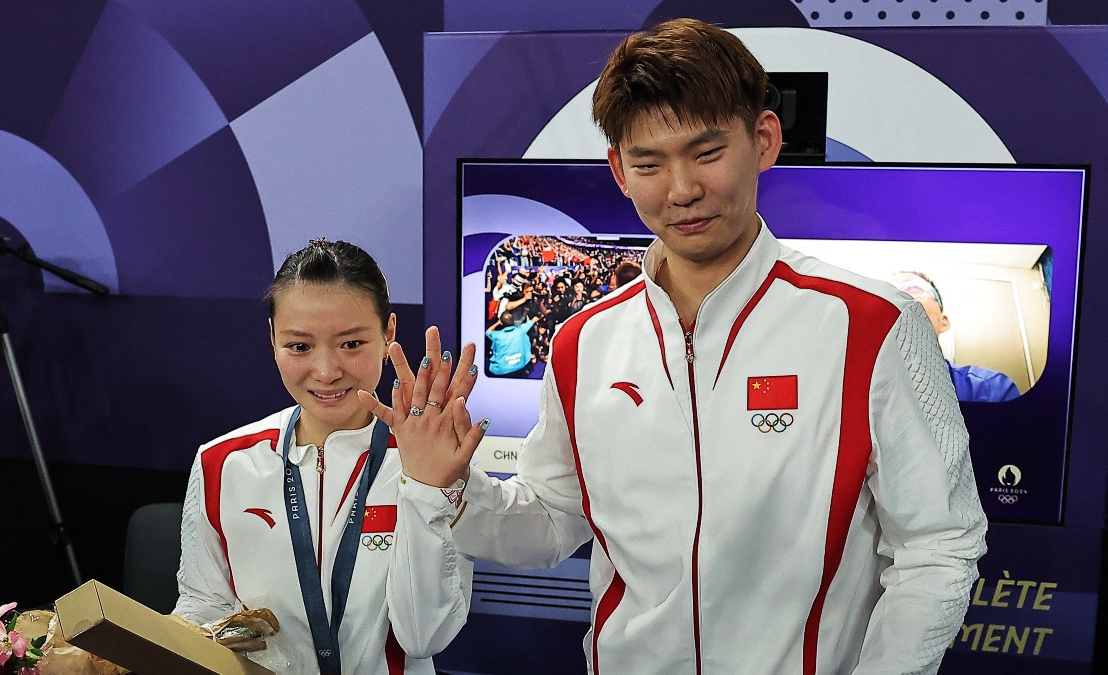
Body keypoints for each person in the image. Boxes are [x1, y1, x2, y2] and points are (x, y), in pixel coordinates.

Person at [408, 18, 987, 674]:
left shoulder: (873, 324)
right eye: (649, 163)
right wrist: (450, 487)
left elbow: (939, 546)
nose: (681, 189)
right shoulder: (582, 342)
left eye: (706, 152)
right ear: (619, 171)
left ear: (763, 139)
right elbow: (549, 521)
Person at [174, 239, 482, 674]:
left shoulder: (436, 457)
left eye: (351, 343)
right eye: (299, 347)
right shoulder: (222, 462)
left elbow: (424, 635)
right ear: (273, 340)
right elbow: (203, 606)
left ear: (389, 332)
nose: (326, 370)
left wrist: (429, 491)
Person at [891, 270, 1022, 403]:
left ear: (944, 322)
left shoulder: (990, 389)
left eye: (912, 288)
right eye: (887, 295)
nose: (897, 300)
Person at [485, 310, 536, 378]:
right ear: (513, 321)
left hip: (501, 370)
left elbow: (487, 332)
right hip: (520, 366)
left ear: (502, 323)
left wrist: (497, 323)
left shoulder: (497, 335)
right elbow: (533, 320)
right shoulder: (521, 330)